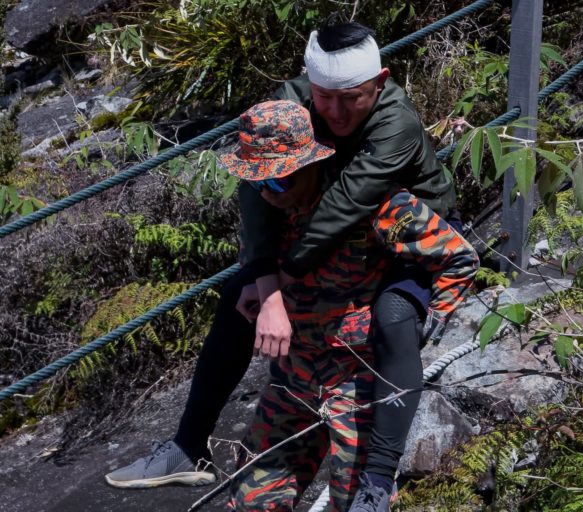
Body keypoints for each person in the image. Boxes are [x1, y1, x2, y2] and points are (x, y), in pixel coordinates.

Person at [106, 16, 458, 510]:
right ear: (307, 81)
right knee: (238, 298)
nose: (334, 111)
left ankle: (378, 479)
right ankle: (188, 447)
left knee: (392, 316)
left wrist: (278, 284)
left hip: (404, 237)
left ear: (379, 82)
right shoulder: (291, 103)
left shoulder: (394, 122)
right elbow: (258, 188)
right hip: (319, 226)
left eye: (350, 98)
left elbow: (346, 206)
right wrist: (263, 284)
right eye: (323, 96)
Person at [216, 100, 476, 511]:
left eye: (278, 181)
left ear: (309, 164)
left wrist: (429, 325)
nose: (267, 191)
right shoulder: (267, 211)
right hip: (292, 376)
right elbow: (258, 260)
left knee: (352, 502)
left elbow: (457, 257)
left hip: (354, 381)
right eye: (256, 181)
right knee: (249, 498)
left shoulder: (371, 205)